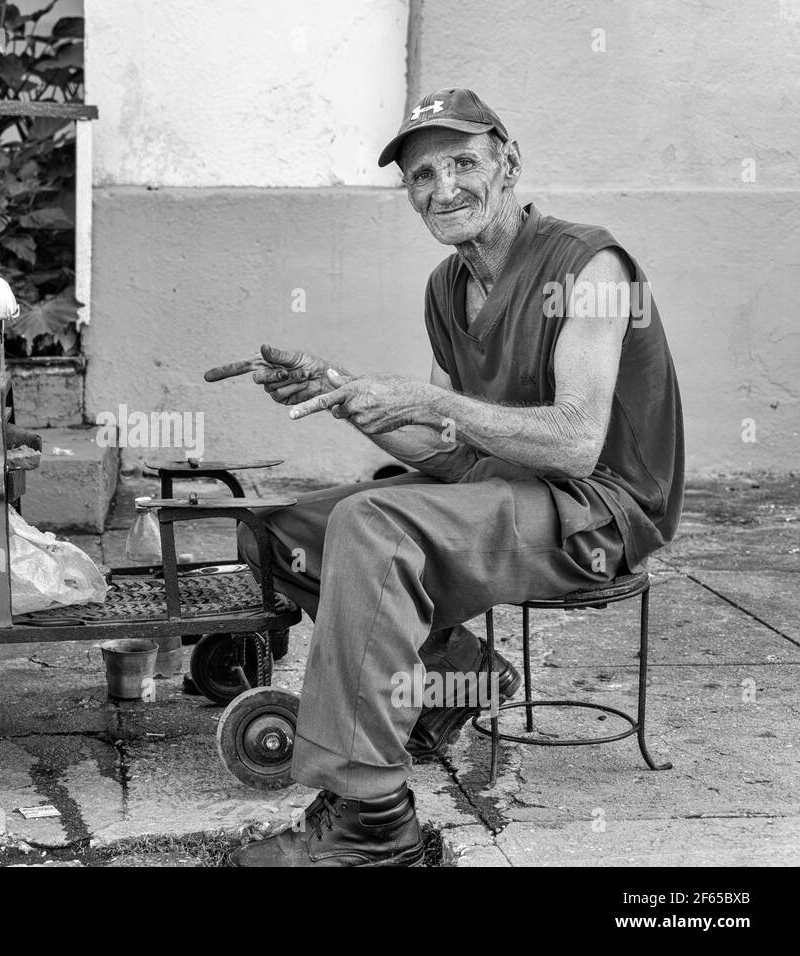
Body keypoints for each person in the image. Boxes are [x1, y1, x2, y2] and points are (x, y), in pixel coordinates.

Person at [204, 89, 684, 867]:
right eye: (423, 175)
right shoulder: (447, 286)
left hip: (599, 512)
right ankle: (454, 676)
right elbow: (449, 449)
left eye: (463, 162)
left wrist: (426, 397)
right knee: (281, 529)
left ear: (509, 162)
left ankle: (370, 822)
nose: (444, 187)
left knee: (374, 526)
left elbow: (574, 444)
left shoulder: (590, 264)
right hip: (501, 487)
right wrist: (341, 391)